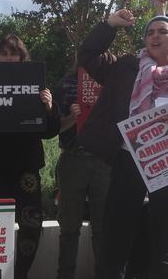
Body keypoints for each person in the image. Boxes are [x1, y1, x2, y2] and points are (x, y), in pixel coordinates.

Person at [78, 7, 168, 278]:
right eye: (149, 32)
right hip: (128, 160)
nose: (155, 36)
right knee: (116, 235)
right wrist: (110, 24)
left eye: (163, 31)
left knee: (162, 239)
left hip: (165, 167)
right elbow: (88, 56)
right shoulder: (126, 67)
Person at [0, 35, 61, 279]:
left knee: (31, 222)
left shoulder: (35, 86)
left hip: (26, 167)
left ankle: (20, 274)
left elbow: (50, 131)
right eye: (4, 53)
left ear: (21, 56)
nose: (8, 58)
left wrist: (48, 108)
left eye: (13, 53)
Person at [54, 61, 110, 279]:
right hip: (73, 157)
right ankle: (65, 275)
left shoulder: (112, 83)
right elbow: (54, 127)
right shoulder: (66, 85)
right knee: (68, 227)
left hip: (104, 161)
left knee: (103, 228)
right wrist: (72, 117)